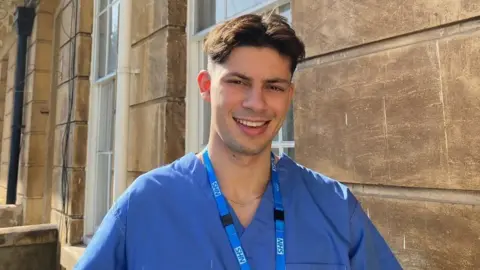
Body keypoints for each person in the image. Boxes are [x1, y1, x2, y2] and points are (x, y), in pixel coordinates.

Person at [75, 13, 402, 270]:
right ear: (205, 86)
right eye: (238, 82)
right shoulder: (146, 205)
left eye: (273, 86)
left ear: (289, 95)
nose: (256, 103)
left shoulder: (334, 206)